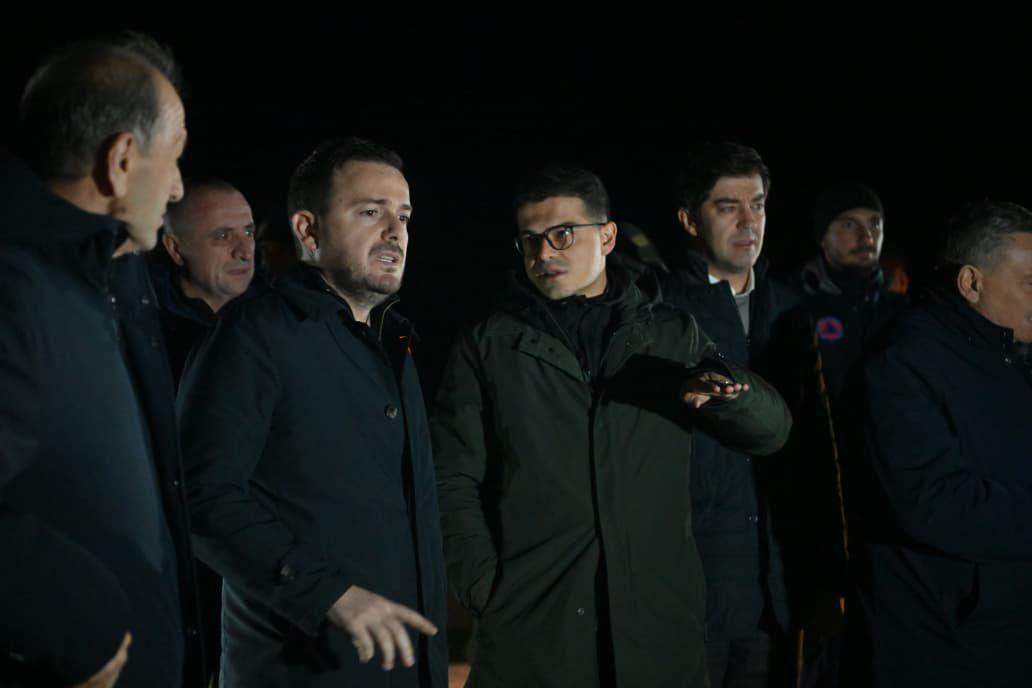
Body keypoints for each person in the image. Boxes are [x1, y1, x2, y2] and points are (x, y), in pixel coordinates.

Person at [431, 163, 792, 687]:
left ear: (606, 236)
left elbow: (771, 431)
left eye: (562, 234)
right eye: (530, 240)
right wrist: (486, 587)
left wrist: (729, 398)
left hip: (657, 634)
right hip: (535, 635)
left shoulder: (669, 335)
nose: (543, 253)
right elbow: (449, 477)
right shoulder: (489, 345)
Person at [177, 137, 447, 687]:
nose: (395, 232)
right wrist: (327, 594)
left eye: (403, 216)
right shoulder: (254, 335)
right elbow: (200, 496)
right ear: (308, 229)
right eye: (370, 212)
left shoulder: (395, 344)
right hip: (299, 670)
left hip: (403, 667)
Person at [0, 34, 203, 687]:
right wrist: (78, 625)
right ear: (120, 162)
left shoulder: (98, 282)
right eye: (173, 159)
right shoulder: (17, 290)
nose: (177, 187)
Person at [662, 142, 843, 687]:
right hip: (692, 592)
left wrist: (824, 572)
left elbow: (817, 449)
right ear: (689, 220)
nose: (749, 222)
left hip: (778, 588)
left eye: (758, 205)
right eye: (728, 207)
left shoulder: (791, 311)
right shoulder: (660, 314)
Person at [854, 200, 1032, 686]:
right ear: (971, 282)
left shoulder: (1011, 357)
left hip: (1006, 627)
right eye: (1030, 283)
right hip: (947, 642)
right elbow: (934, 502)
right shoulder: (904, 363)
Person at [150, 178, 256, 385]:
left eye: (248, 232)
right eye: (223, 235)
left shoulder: (280, 318)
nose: (245, 252)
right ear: (175, 248)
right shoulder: (147, 335)